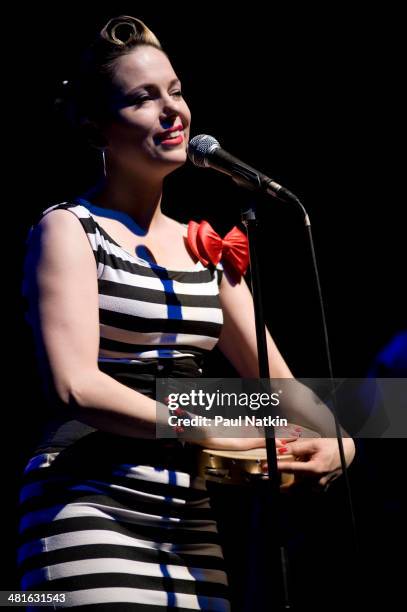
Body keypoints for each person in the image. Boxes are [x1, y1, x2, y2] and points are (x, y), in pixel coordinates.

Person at [18, 15, 355, 610]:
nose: (171, 110)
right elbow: (75, 386)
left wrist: (344, 441)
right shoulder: (70, 229)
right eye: (143, 98)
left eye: (175, 91)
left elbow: (279, 389)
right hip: (88, 504)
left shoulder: (205, 247)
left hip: (187, 527)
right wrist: (212, 422)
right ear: (96, 125)